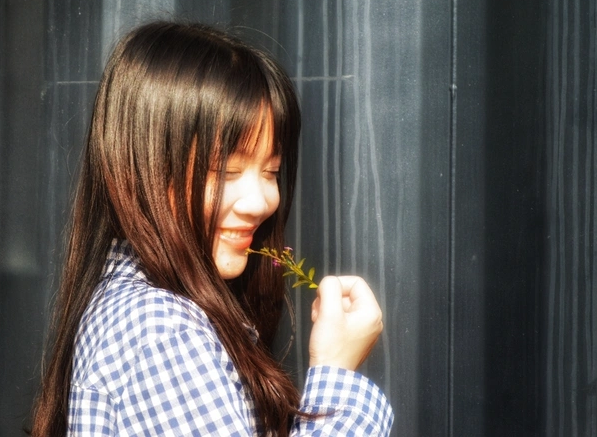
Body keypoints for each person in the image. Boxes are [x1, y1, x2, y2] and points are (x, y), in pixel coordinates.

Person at [31, 21, 394, 436]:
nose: (259, 202)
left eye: (271, 171)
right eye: (226, 172)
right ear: (141, 170)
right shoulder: (161, 332)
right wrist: (336, 373)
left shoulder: (141, 308)